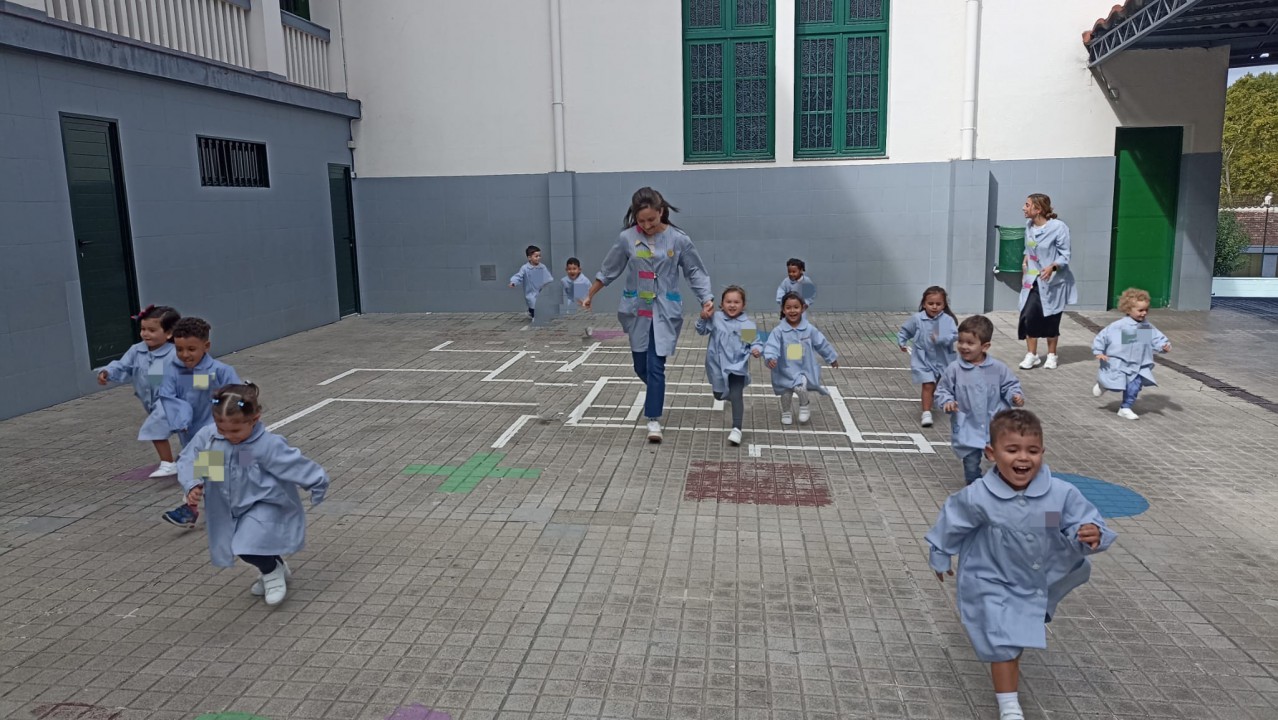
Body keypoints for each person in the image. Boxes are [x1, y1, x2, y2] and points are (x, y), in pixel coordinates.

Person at [925, 408, 1116, 720]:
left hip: (1035, 579)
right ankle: (1009, 707)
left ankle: (1009, 684)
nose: (1023, 458)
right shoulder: (979, 497)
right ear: (991, 453)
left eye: (1032, 451)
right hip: (989, 577)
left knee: (1014, 637)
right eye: (1012, 450)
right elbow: (953, 521)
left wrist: (1089, 533)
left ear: (1042, 452)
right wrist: (941, 551)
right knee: (1003, 641)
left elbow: (1074, 522)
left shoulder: (1058, 494)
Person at [581, 187, 714, 443]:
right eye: (641, 221)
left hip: (664, 310)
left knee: (655, 366)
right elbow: (609, 269)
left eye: (651, 219)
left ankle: (653, 418)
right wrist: (590, 294)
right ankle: (656, 388)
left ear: (661, 212)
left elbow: (695, 271)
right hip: (637, 309)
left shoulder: (678, 239)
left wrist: (706, 299)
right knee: (640, 366)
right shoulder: (626, 238)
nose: (647, 225)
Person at [177, 383, 329, 606]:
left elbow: (293, 464)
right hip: (226, 505)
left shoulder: (266, 445)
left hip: (263, 502)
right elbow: (190, 459)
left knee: (247, 546)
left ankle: (271, 572)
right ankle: (276, 566)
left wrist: (317, 482)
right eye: (221, 428)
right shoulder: (209, 438)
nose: (228, 435)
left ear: (254, 419)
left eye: (235, 431)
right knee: (245, 544)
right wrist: (194, 484)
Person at [157, 316, 242, 528]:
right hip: (188, 434)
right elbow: (167, 397)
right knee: (203, 473)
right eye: (179, 349)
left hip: (216, 434)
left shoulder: (221, 371)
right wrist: (179, 419)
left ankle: (191, 509)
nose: (185, 354)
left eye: (191, 349)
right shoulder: (172, 372)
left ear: (206, 346)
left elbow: (238, 397)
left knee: (203, 471)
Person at [934, 315, 1025, 484]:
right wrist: (947, 402)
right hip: (968, 425)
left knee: (1003, 459)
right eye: (961, 341)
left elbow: (1009, 385)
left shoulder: (995, 368)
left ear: (985, 346)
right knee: (970, 463)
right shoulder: (955, 369)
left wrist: (1015, 396)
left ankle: (1003, 484)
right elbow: (943, 390)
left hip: (996, 424)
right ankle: (974, 486)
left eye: (970, 343)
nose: (963, 346)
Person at [96, 304, 182, 478]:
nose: (145, 334)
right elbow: (122, 365)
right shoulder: (137, 350)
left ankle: (168, 463)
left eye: (152, 330)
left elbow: (193, 373)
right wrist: (108, 371)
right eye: (143, 329)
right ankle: (190, 460)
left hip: (172, 400)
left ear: (169, 333)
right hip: (151, 401)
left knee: (156, 426)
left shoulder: (175, 353)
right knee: (177, 430)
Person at [696, 285, 763, 446]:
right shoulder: (716, 318)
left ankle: (737, 429)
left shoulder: (746, 324)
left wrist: (756, 349)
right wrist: (703, 317)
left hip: (737, 365)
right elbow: (701, 330)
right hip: (717, 365)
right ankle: (732, 398)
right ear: (722, 304)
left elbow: (754, 342)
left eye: (736, 302)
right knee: (719, 395)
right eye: (728, 302)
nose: (732, 305)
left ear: (743, 305)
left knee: (736, 393)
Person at [1091, 287, 1171, 421]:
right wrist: (1098, 351)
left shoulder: (1146, 327)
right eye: (1140, 310)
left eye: (1146, 310)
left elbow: (1156, 339)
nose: (1144, 313)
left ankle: (1125, 407)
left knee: (1134, 386)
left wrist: (1163, 346)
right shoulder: (1119, 326)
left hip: (1139, 364)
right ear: (1128, 310)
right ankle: (1103, 384)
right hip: (1119, 362)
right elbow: (1102, 337)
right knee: (1116, 384)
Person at [1017, 194, 1077, 370]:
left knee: (1051, 318)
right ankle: (1032, 355)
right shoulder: (1028, 226)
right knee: (1028, 315)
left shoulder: (1059, 228)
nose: (1023, 208)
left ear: (1038, 209)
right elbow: (1028, 249)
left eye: (1027, 205)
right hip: (1032, 279)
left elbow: (1065, 254)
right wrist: (1025, 265)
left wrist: (1052, 267)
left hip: (1052, 281)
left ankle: (1052, 355)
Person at [764, 292, 839, 425]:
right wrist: (771, 357)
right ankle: (786, 411)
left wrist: (831, 357)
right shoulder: (779, 331)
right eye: (788, 307)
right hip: (785, 368)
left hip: (803, 368)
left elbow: (821, 343)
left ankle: (804, 405)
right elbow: (771, 346)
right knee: (786, 393)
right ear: (783, 309)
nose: (792, 311)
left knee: (800, 387)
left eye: (796, 307)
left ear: (803, 308)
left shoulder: (809, 329)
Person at [897, 286, 958, 428]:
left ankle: (934, 400)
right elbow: (905, 330)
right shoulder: (917, 319)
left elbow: (954, 336)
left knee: (938, 384)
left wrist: (941, 338)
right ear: (924, 304)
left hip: (942, 359)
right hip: (923, 359)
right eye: (931, 303)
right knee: (928, 384)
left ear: (944, 305)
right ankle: (926, 413)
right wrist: (902, 341)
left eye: (938, 304)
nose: (934, 307)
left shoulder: (947, 320)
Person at [509, 245, 555, 318]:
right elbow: (519, 276)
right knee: (533, 303)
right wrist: (513, 282)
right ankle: (533, 315)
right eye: (536, 256)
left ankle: (534, 313)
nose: (538, 258)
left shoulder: (542, 267)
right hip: (530, 291)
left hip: (540, 290)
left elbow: (548, 277)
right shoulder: (525, 268)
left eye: (539, 256)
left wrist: (549, 283)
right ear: (529, 258)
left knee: (540, 305)